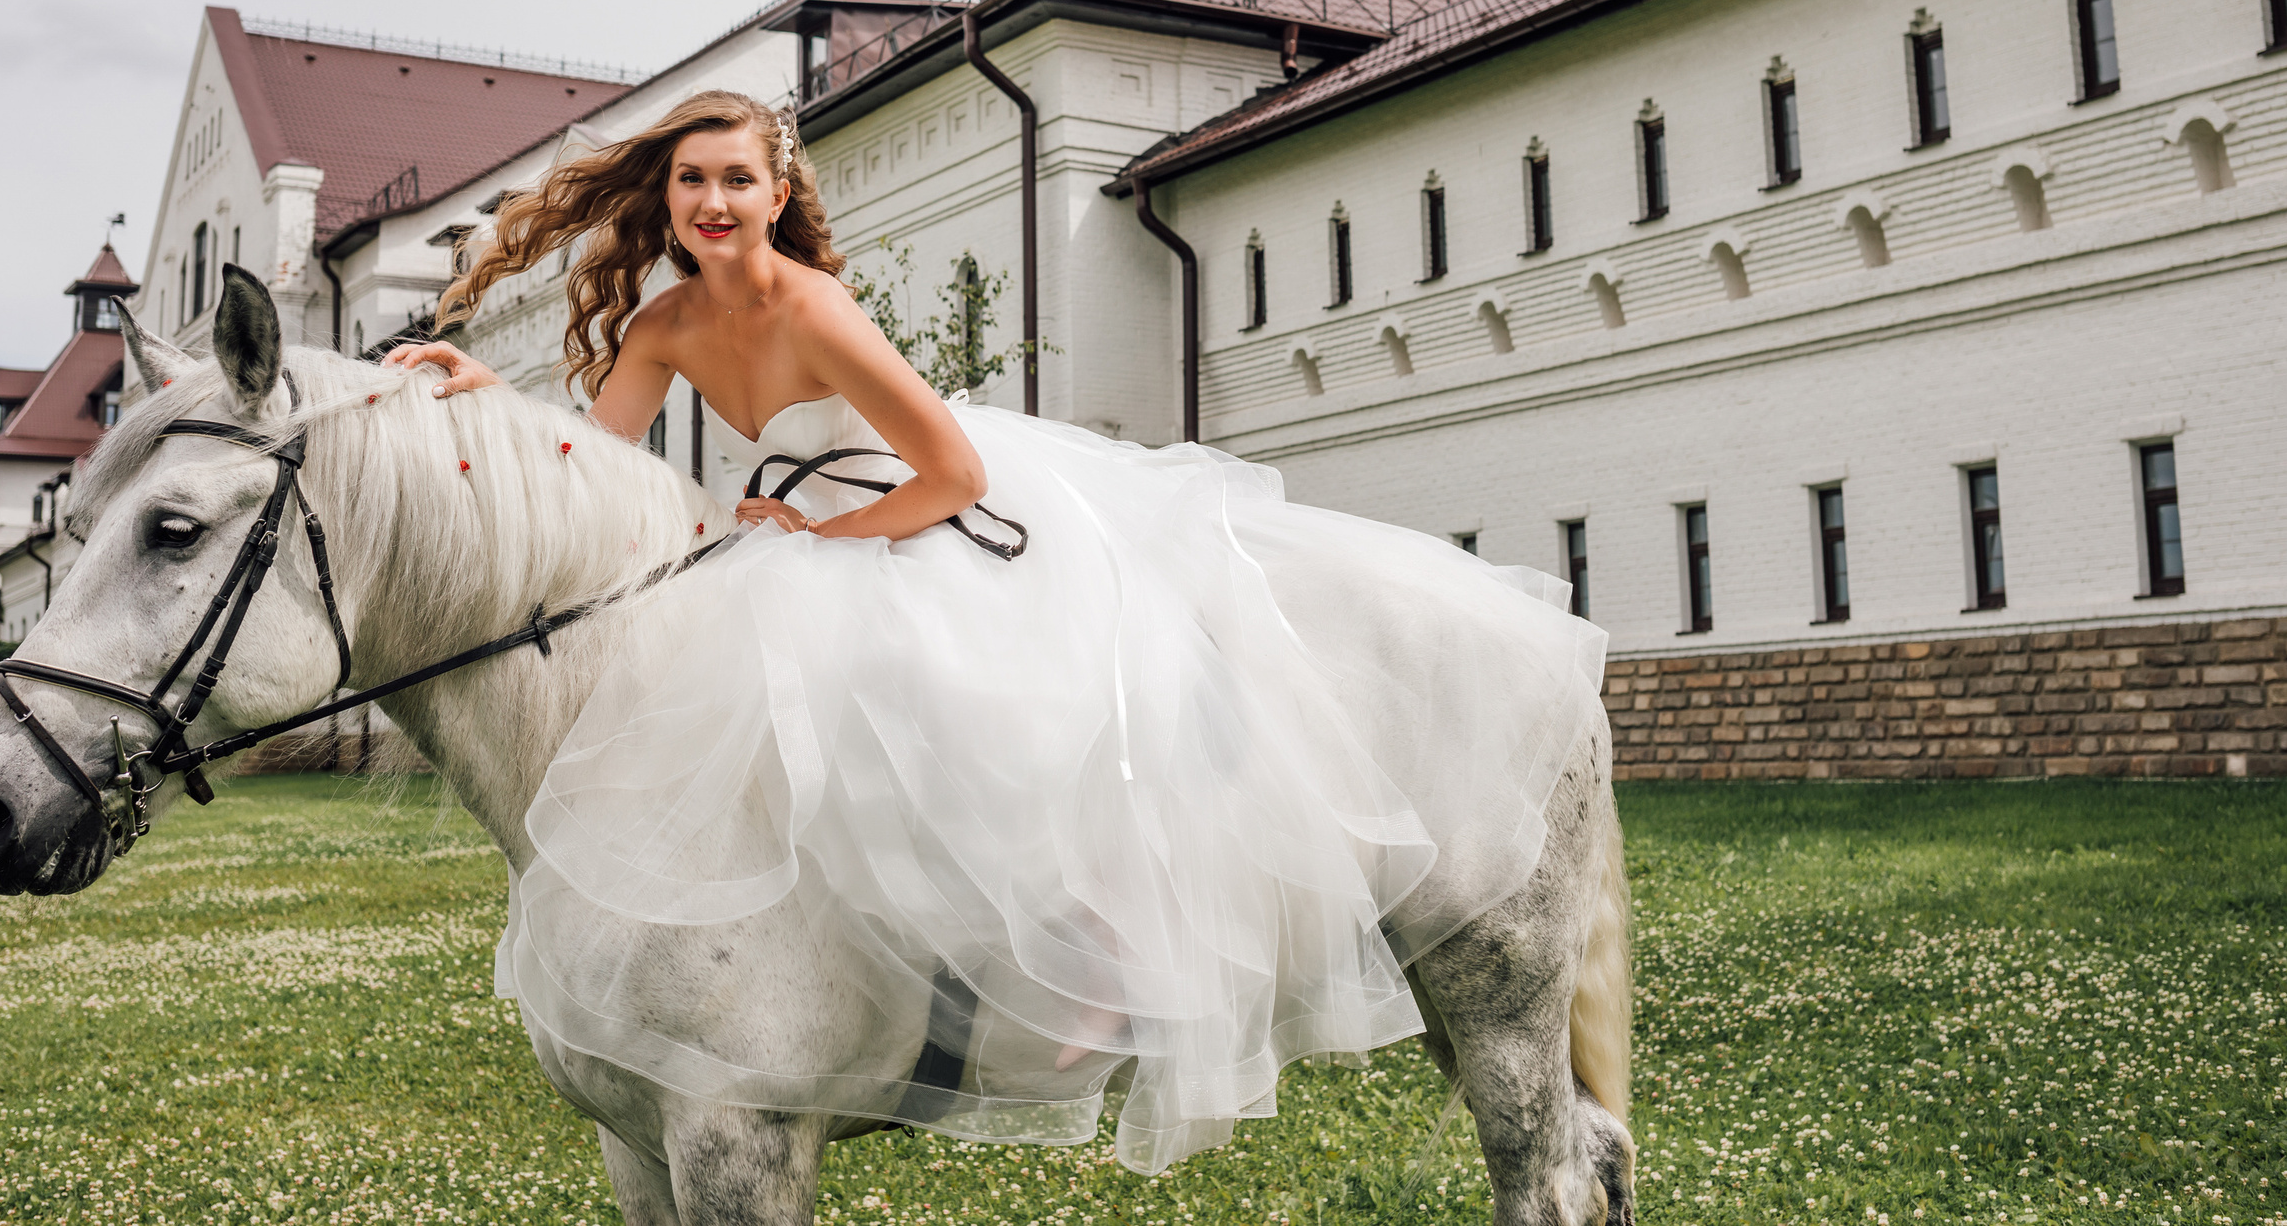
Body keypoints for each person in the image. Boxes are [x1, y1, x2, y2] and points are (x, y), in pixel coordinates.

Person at [388, 89, 1607, 1173]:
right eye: (692, 179)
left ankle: (1089, 949)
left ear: (777, 195)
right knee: (762, 732)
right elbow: (590, 463)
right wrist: (491, 400)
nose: (714, 199)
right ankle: (833, 964)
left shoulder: (815, 311)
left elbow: (955, 472)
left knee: (959, 701)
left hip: (930, 522)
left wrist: (826, 541)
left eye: (738, 179)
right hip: (799, 532)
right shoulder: (660, 326)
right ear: (668, 196)